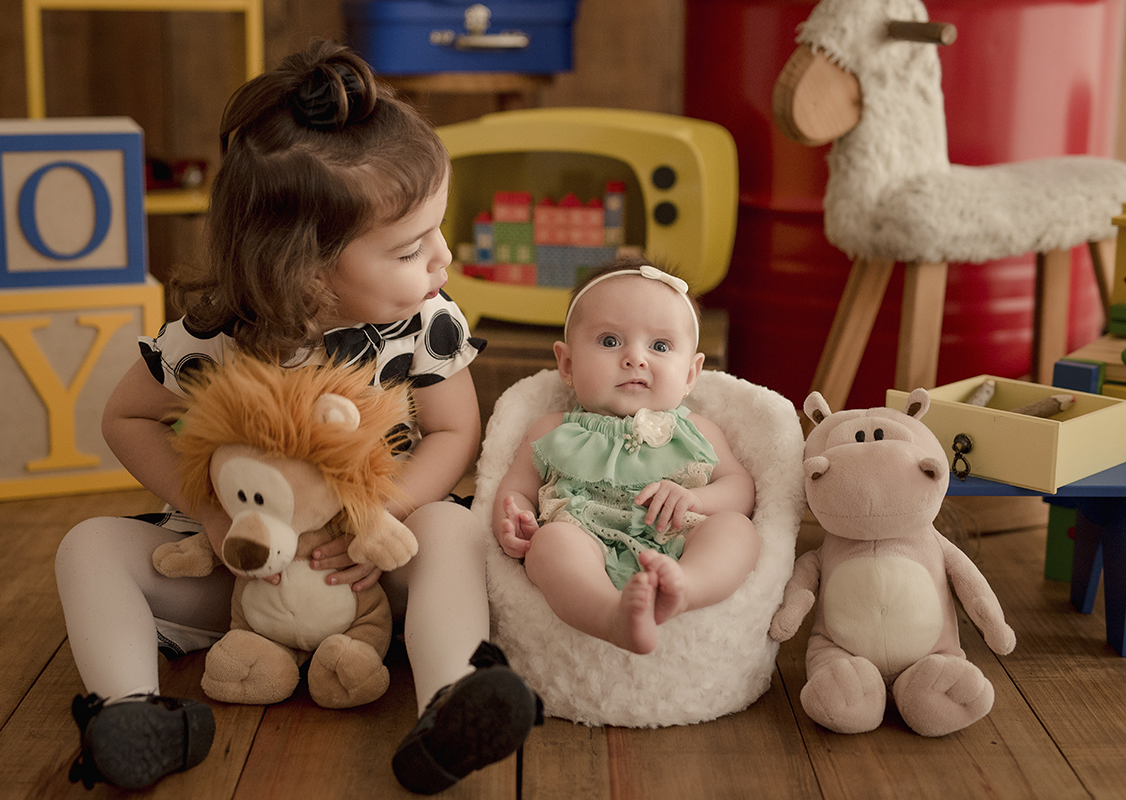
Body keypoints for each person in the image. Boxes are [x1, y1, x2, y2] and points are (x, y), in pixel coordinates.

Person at [55, 41, 540, 794]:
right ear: (306, 267)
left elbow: (454, 431)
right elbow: (125, 418)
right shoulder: (215, 334)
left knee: (451, 529)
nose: (443, 259)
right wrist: (212, 522)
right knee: (87, 546)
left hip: (372, 567)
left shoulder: (424, 319)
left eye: (437, 231)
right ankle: (127, 713)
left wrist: (389, 509)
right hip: (246, 578)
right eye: (413, 247)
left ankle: (448, 703)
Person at [493, 260, 762, 655]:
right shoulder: (551, 430)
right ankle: (609, 615)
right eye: (609, 341)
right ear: (567, 363)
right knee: (550, 545)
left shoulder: (699, 431)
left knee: (737, 529)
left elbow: (741, 488)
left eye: (660, 346)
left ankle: (685, 589)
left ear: (690, 374)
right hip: (586, 544)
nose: (636, 358)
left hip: (679, 540)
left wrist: (698, 500)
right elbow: (515, 490)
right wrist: (516, 520)